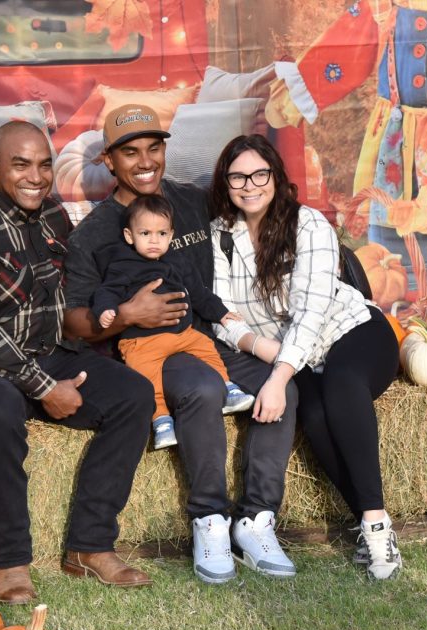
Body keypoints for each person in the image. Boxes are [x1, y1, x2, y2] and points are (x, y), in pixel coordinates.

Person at [63, 104, 298, 584]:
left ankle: (255, 518)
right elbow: (73, 322)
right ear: (109, 160)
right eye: (130, 152)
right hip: (150, 350)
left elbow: (259, 205)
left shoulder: (193, 203)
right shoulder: (95, 234)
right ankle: (210, 519)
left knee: (283, 384)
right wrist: (127, 314)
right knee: (203, 389)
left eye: (154, 148)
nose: (145, 161)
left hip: (209, 336)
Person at [0, 120, 155, 604]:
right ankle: (10, 560)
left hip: (48, 354)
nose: (36, 176)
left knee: (133, 396)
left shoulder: (53, 216)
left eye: (45, 164)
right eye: (21, 164)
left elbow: (73, 299)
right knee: (1, 410)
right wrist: (44, 387)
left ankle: (89, 546)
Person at [208, 134, 403, 580]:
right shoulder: (221, 236)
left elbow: (313, 312)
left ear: (276, 177)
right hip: (290, 354)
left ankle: (375, 530)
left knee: (340, 388)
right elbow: (221, 313)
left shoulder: (309, 224)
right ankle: (376, 524)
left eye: (260, 174)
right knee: (313, 414)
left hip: (350, 332)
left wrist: (277, 379)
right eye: (238, 176)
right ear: (226, 182)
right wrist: (259, 348)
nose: (249, 184)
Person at [92, 193, 255, 449]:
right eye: (145, 234)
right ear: (129, 236)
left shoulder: (178, 261)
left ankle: (228, 387)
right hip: (142, 342)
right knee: (148, 379)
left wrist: (220, 312)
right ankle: (161, 421)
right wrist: (106, 310)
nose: (154, 241)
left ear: (171, 235)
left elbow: (199, 292)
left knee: (208, 348)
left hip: (182, 334)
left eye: (161, 234)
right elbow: (107, 291)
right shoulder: (123, 264)